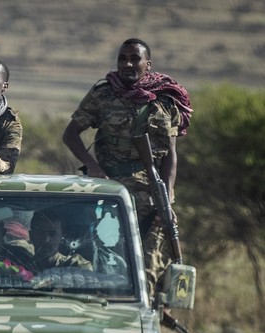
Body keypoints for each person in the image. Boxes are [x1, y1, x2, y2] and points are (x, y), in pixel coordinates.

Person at [62, 38, 192, 297]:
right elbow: (70, 134)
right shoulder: (103, 95)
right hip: (110, 191)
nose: (128, 64)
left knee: (153, 259)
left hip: (151, 191)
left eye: (135, 58)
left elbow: (170, 154)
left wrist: (166, 195)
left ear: (148, 64)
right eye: (123, 58)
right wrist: (93, 167)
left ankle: (146, 307)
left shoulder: (165, 101)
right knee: (107, 259)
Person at [29, 210, 93, 271]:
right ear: (31, 236)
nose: (46, 239)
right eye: (40, 233)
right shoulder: (23, 266)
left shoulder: (75, 266)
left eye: (52, 233)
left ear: (62, 237)